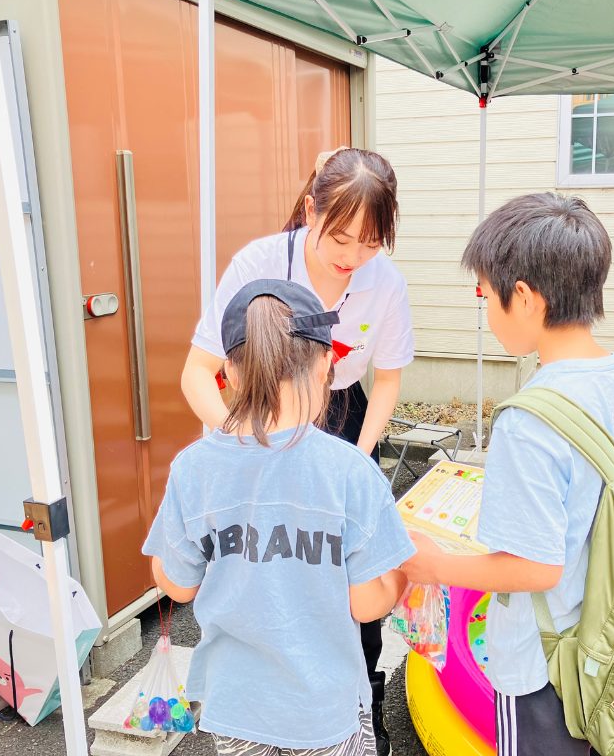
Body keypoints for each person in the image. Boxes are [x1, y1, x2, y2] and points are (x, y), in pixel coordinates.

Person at [402, 193, 614, 756]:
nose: (488, 313)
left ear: (523, 296)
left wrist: (433, 563)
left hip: (544, 667)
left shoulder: (528, 419)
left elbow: (537, 567)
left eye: (485, 296)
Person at [181, 147, 413, 754]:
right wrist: (251, 444)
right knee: (266, 570)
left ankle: (358, 696)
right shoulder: (259, 262)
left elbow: (385, 380)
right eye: (340, 237)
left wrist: (358, 459)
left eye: (369, 244)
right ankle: (256, 700)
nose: (351, 258)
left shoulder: (384, 282)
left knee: (350, 567)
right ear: (309, 208)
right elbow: (197, 374)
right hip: (252, 416)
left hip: (339, 411)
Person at [146, 279, 415, 756]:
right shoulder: (351, 472)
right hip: (325, 708)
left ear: (227, 370)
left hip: (236, 706)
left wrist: (161, 562)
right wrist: (401, 580)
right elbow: (368, 605)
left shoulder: (194, 469)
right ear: (325, 363)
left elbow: (179, 586)